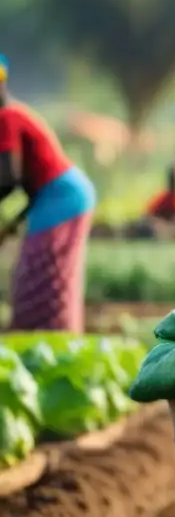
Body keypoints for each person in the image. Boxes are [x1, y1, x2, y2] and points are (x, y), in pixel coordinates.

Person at [0, 54, 96, 332]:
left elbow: (9, 178)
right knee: (46, 273)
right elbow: (28, 184)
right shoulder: (13, 115)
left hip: (62, 196)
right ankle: (50, 335)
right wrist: (12, 223)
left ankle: (44, 336)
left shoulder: (7, 118)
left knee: (40, 274)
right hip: (59, 195)